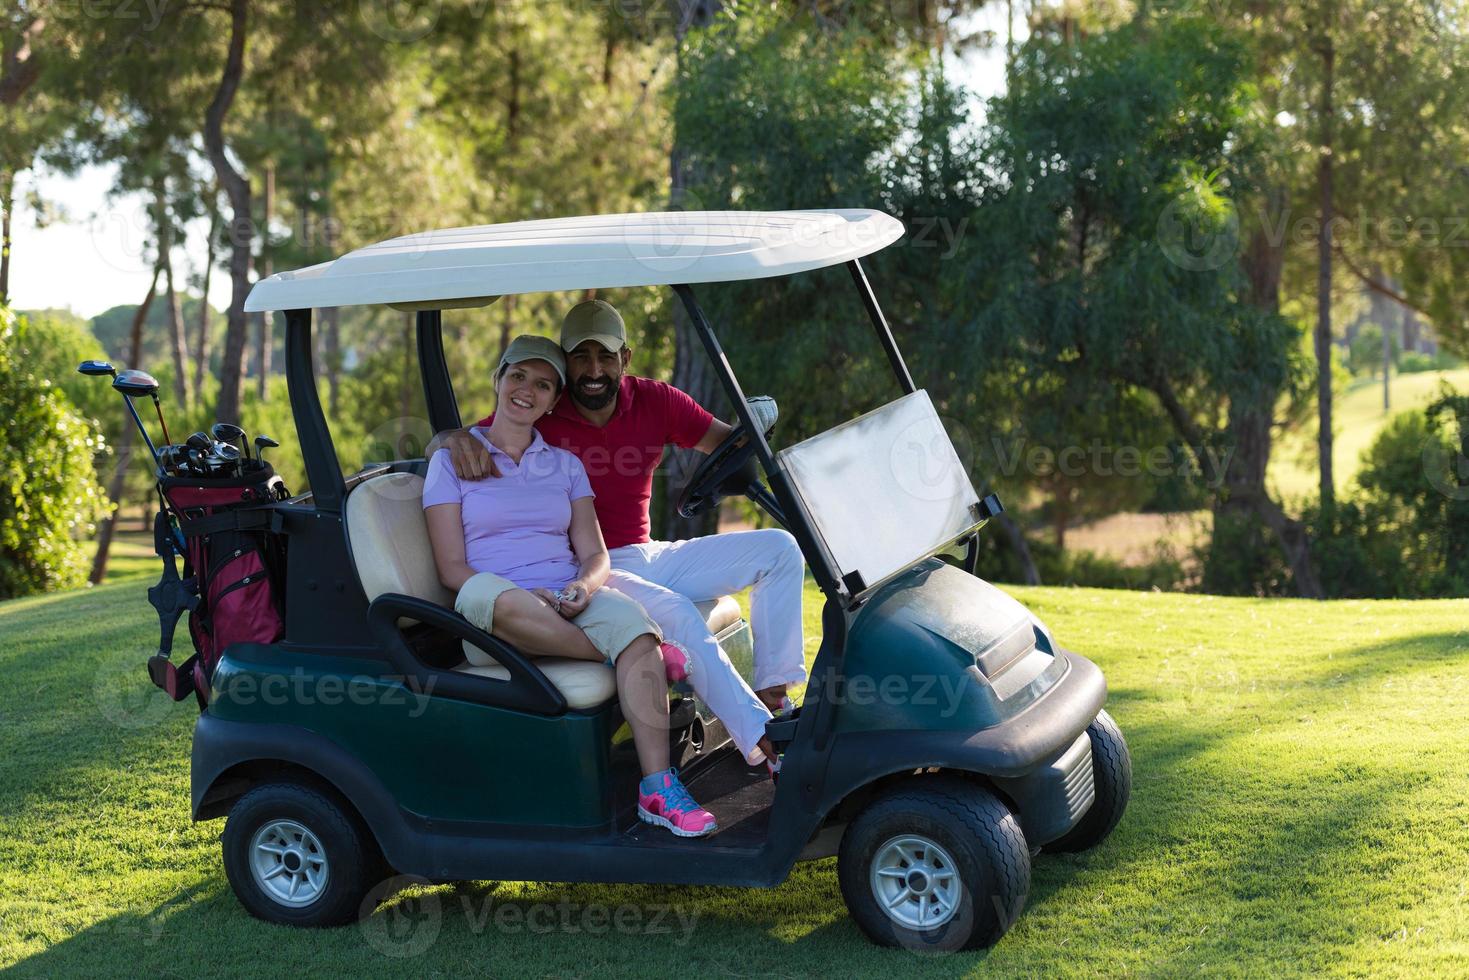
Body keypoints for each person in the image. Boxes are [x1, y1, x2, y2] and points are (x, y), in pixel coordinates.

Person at [429, 300, 806, 769]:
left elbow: (725, 442)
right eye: (580, 357)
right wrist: (447, 437)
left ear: (624, 359)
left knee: (779, 549)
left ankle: (773, 696)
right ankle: (768, 744)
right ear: (565, 365)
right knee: (679, 614)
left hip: (649, 552)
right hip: (595, 565)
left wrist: (758, 442)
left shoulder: (656, 400)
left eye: (605, 356)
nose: (593, 369)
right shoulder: (545, 406)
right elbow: (476, 438)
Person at [422, 335, 716, 837]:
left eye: (543, 385)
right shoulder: (453, 460)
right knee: (500, 598)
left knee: (633, 627)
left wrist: (582, 586)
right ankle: (620, 652)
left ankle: (657, 788)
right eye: (517, 376)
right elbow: (452, 569)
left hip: (565, 599)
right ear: (498, 379)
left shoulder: (565, 466)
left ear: (554, 399)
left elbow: (596, 553)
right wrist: (531, 598)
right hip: (492, 610)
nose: (526, 391)